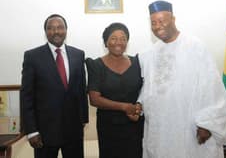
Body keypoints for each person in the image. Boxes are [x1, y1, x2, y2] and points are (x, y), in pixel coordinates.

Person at [137, 0, 226, 158]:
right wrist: (140, 104)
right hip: (161, 128)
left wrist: (207, 124)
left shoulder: (195, 47)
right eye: (153, 23)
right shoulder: (150, 53)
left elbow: (211, 87)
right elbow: (149, 87)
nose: (157, 26)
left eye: (161, 21)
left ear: (173, 19)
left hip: (190, 126)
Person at [20, 14, 88, 158]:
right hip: (44, 133)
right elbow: (26, 96)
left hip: (73, 131)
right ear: (45, 32)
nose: (56, 31)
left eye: (60, 27)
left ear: (66, 30)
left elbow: (81, 89)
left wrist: (83, 119)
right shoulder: (32, 56)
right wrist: (31, 131)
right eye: (50, 28)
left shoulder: (78, 54)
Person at [86, 23, 144, 158]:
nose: (119, 42)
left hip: (135, 125)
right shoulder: (96, 65)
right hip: (109, 127)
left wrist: (138, 107)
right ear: (106, 42)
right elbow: (94, 99)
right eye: (113, 38)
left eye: (123, 39)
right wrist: (124, 107)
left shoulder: (137, 62)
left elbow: (144, 90)